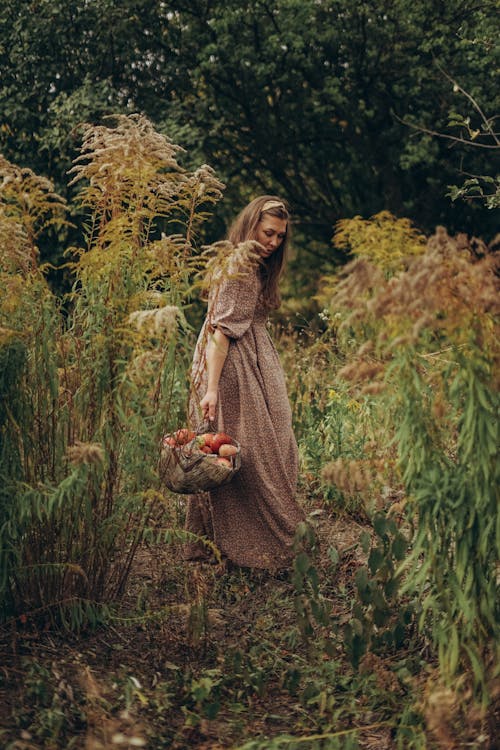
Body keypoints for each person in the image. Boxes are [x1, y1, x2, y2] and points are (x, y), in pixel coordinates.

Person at [184, 195, 305, 570]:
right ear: (251, 226)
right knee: (254, 453)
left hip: (247, 361)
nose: (273, 242)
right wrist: (212, 389)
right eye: (268, 233)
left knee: (249, 449)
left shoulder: (248, 264)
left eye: (280, 237)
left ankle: (226, 545)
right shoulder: (242, 267)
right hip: (234, 367)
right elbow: (221, 333)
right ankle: (269, 547)